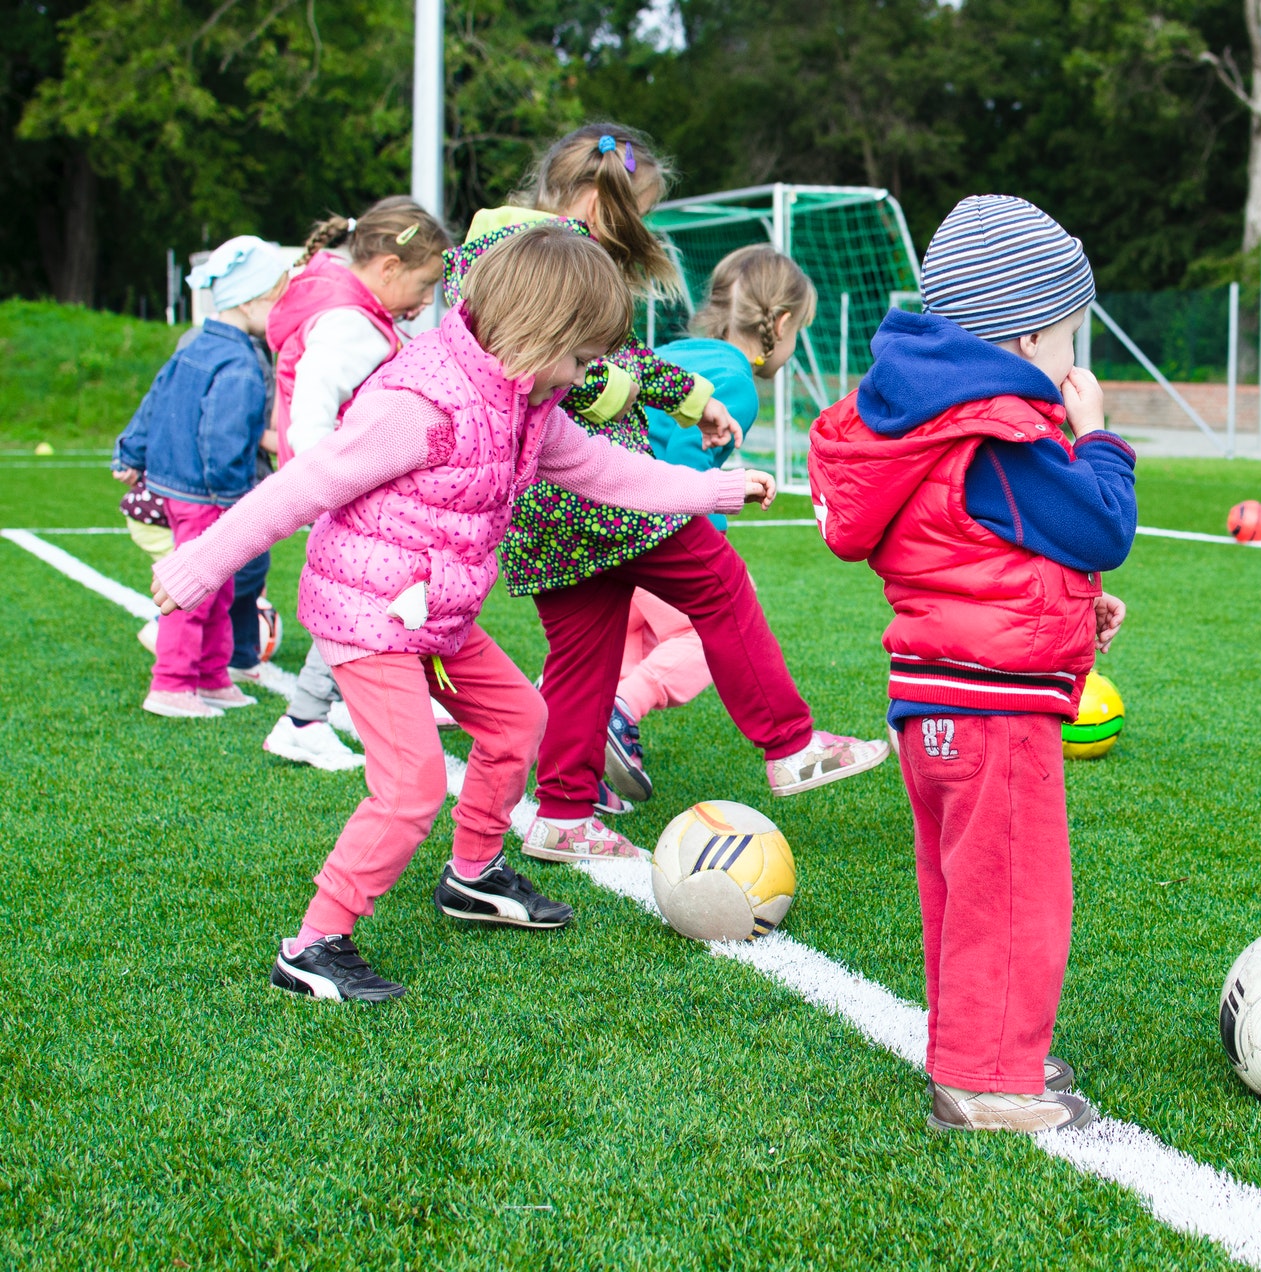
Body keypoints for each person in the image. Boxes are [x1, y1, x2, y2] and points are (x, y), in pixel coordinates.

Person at [149, 224, 777, 1002]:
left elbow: (606, 472)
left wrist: (715, 489)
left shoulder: (527, 402)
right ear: (538, 333)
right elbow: (303, 486)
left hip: (436, 616)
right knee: (411, 786)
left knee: (520, 721)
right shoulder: (421, 404)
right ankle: (312, 945)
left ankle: (473, 876)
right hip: (370, 616)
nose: (588, 377)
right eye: (582, 359)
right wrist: (200, 564)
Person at [443, 123, 886, 866]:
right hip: (599, 490)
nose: (635, 233)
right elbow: (569, 371)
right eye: (633, 214)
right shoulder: (541, 256)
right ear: (593, 198)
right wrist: (630, 400)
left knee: (586, 653)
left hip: (543, 508)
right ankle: (791, 744)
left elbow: (616, 354)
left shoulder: (498, 248)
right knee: (718, 583)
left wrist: (694, 400)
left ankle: (562, 812)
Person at [809, 195, 1137, 1133]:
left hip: (939, 701)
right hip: (992, 713)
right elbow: (1101, 523)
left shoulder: (930, 421)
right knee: (1013, 893)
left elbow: (977, 553)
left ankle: (979, 1047)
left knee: (965, 891)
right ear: (1029, 333)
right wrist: (1099, 435)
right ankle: (987, 1080)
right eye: (1072, 335)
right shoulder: (1000, 432)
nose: (1076, 359)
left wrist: (1075, 612)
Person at [600, 244, 816, 805]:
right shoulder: (735, 383)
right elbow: (684, 470)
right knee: (702, 630)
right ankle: (621, 711)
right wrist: (706, 545)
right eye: (801, 331)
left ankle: (577, 742)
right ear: (782, 324)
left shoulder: (675, 353)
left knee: (623, 637)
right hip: (647, 525)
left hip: (597, 522)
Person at [259, 196, 454, 772]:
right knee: (367, 600)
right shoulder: (350, 325)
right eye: (424, 286)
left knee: (375, 597)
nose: (425, 304)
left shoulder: (353, 310)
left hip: (348, 486)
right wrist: (331, 482)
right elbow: (313, 413)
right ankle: (304, 718)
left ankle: (323, 711)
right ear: (389, 269)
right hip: (347, 489)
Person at [113, 236, 288, 719]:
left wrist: (130, 449)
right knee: (195, 589)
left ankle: (212, 676)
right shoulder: (240, 363)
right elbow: (223, 436)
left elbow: (155, 398)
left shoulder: (197, 343)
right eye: (279, 298)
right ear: (252, 300)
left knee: (221, 587)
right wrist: (236, 500)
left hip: (183, 486)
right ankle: (170, 684)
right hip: (207, 495)